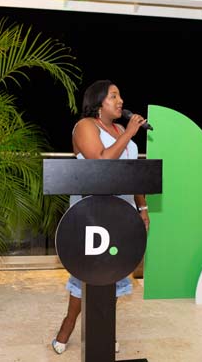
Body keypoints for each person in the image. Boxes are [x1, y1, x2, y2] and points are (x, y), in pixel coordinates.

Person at [52, 79, 151, 355]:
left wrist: (142, 208)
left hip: (122, 212)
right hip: (92, 212)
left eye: (120, 96)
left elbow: (132, 174)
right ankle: (69, 323)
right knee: (88, 271)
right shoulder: (85, 126)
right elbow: (100, 162)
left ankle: (102, 329)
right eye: (114, 96)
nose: (121, 101)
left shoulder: (120, 130)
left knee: (115, 270)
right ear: (98, 102)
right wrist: (129, 133)